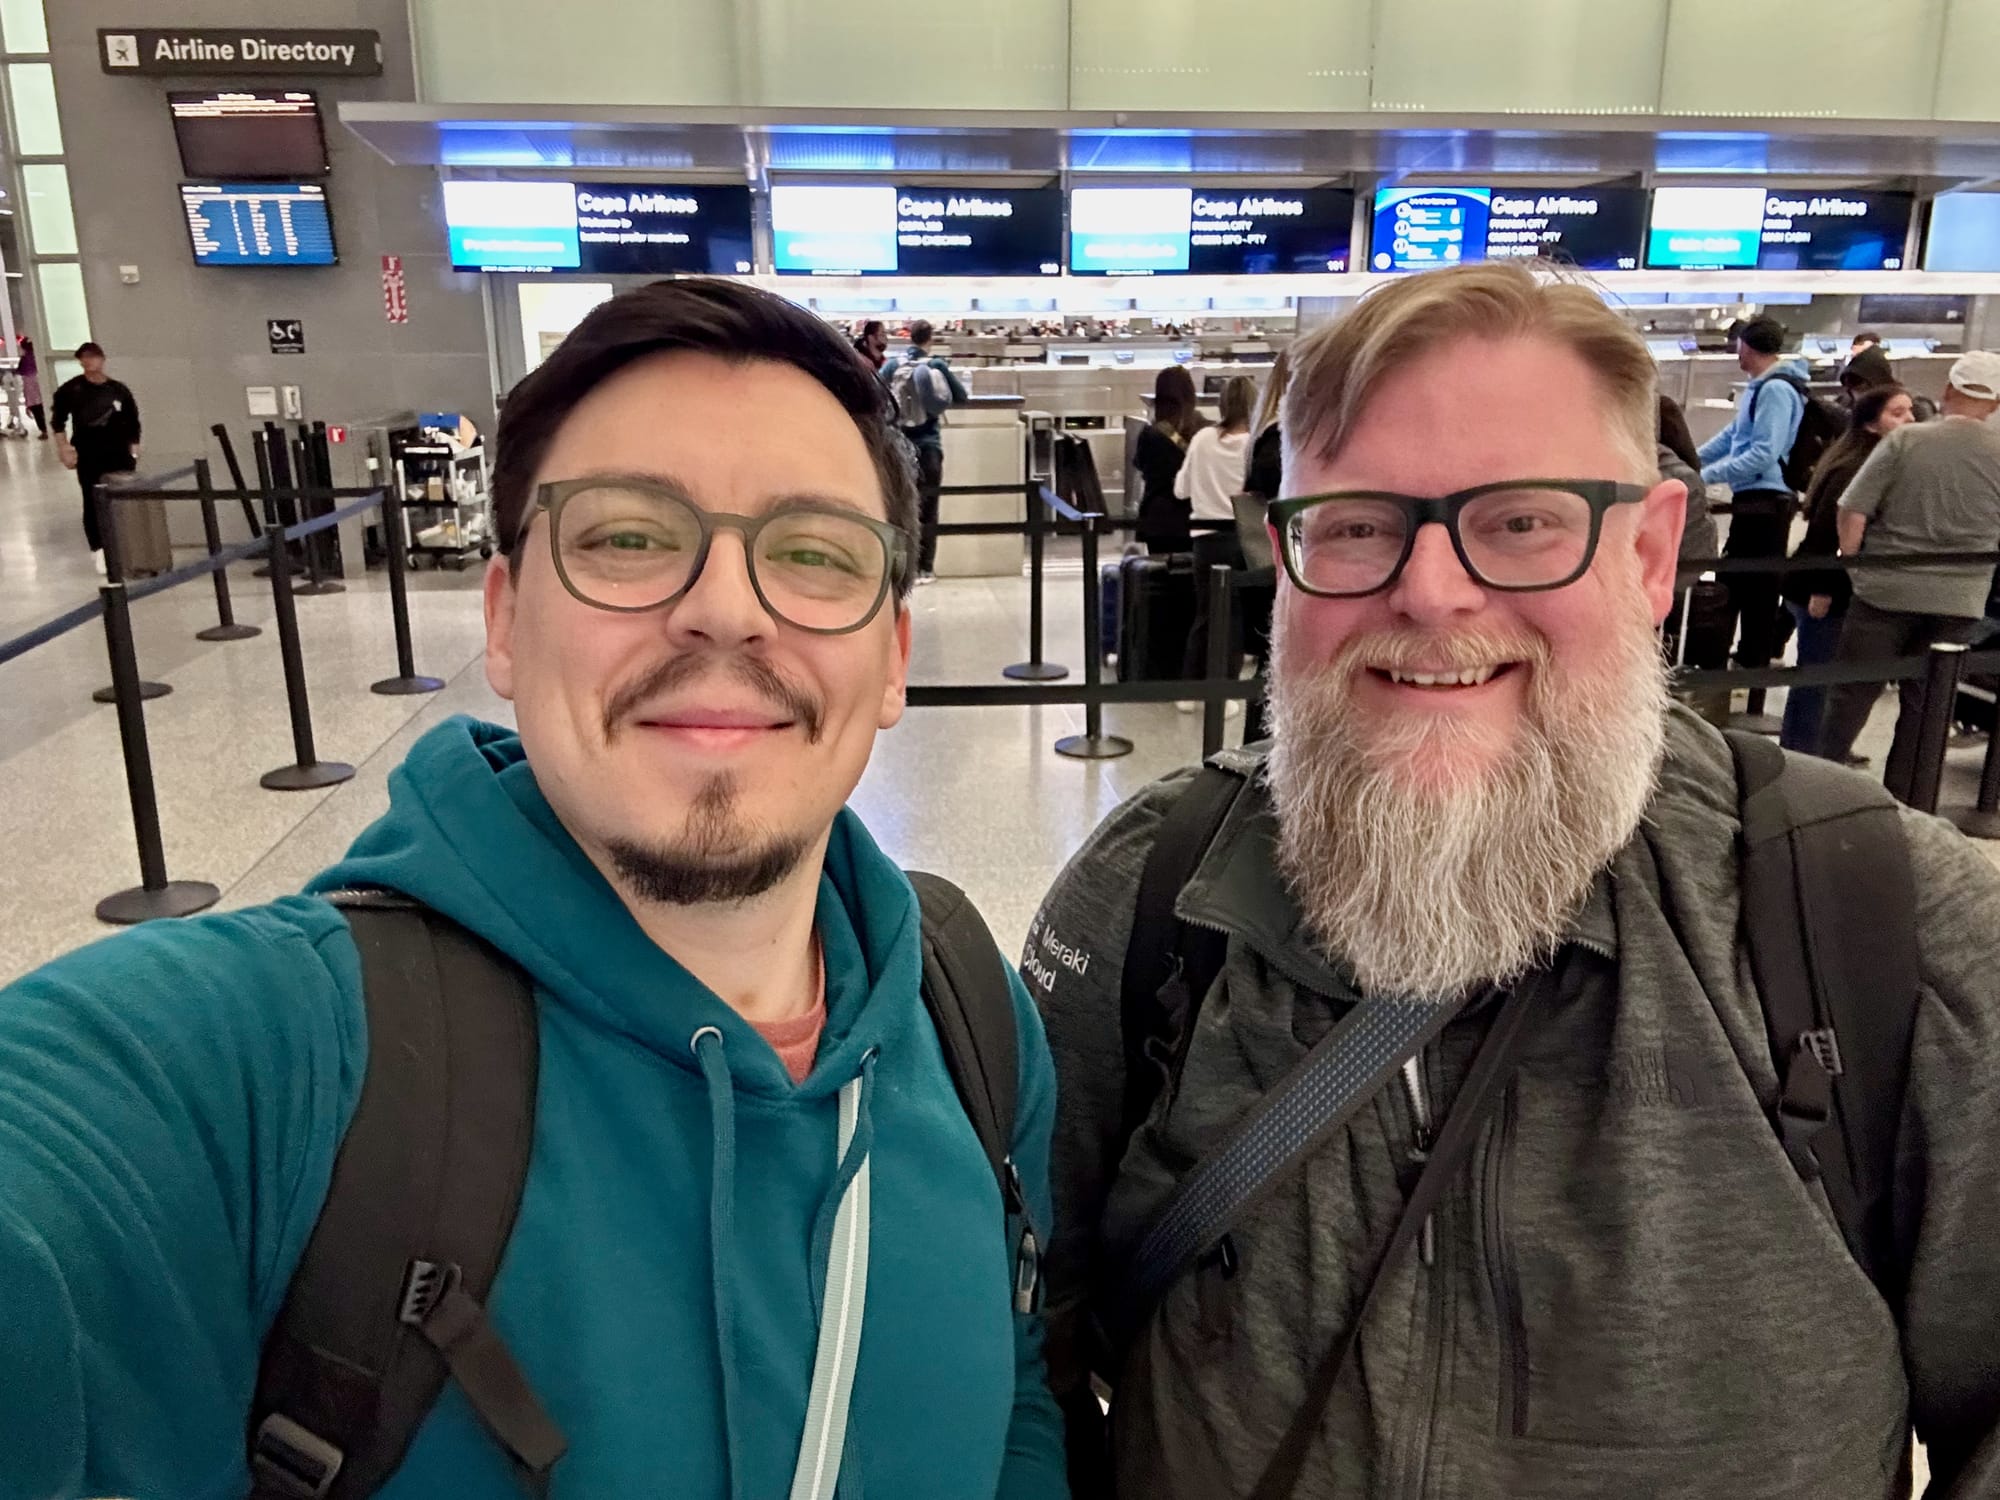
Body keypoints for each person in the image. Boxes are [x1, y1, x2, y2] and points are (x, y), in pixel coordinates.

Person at [0, 280, 1067, 1500]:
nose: (725, 610)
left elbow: (1017, 1390)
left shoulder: (967, 1014)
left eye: (814, 553)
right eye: (627, 538)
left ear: (890, 660)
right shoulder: (264, 1065)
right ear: (503, 622)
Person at [1026, 261, 2000, 1499]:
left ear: (1649, 554)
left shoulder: (1882, 930)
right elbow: (1019, 1345)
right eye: (1357, 524)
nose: (1430, 593)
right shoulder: (1154, 895)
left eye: (1522, 522)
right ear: (1285, 556)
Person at [1815, 351, 2000, 791]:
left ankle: (1818, 790)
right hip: (1961, 598)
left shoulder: (1906, 441)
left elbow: (1852, 508)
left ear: (1948, 390)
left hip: (1885, 589)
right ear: (1995, 403)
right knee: (1927, 706)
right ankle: (1908, 800)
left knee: (1850, 696)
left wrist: (1855, 564)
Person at [1779, 383, 1915, 755]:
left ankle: (1805, 749)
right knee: (1818, 678)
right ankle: (1803, 753)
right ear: (1871, 423)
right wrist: (1823, 589)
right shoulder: (1857, 467)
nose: (1909, 420)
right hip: (1824, 585)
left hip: (1825, 581)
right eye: (1897, 413)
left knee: (1818, 676)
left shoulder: (1863, 459)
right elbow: (1826, 530)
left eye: (1910, 411)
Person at [1697, 316, 1806, 669]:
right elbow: (1732, 436)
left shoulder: (1775, 390)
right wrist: (1691, 461)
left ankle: (1752, 662)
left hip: (1767, 501)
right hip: (1753, 497)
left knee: (1756, 586)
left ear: (1748, 345)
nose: (1736, 351)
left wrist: (1706, 476)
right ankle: (1741, 657)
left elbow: (1763, 453)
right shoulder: (1760, 387)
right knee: (1739, 580)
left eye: (1738, 344)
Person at [1173, 374, 1256, 713]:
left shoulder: (1203, 438)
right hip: (1239, 539)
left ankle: (1188, 691)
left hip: (1203, 540)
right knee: (1233, 617)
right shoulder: (1253, 445)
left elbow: (1181, 489)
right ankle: (1224, 693)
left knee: (1204, 614)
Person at [882, 318, 967, 585]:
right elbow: (961, 395)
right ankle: (925, 569)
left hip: (899, 448)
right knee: (929, 509)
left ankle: (900, 570)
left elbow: (876, 393)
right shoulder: (936, 365)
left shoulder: (893, 365)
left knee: (900, 509)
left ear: (909, 337)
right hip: (929, 446)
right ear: (930, 338)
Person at [51, 340, 141, 567]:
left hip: (118, 451)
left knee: (121, 498)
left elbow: (132, 420)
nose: (88, 361)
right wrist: (64, 447)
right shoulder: (72, 389)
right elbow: (58, 421)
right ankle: (99, 549)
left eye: (92, 356)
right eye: (84, 357)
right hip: (89, 451)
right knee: (93, 499)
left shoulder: (118, 390)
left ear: (102, 359)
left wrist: (134, 446)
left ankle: (126, 546)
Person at [1133, 365, 1204, 553]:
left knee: (1161, 568)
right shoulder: (1203, 430)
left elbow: (1140, 464)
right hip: (1193, 515)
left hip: (1158, 518)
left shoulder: (1151, 434)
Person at [16, 333, 45, 437]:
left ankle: (44, 430)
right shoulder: (38, 357)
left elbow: (20, 371)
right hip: (40, 382)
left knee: (35, 408)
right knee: (42, 406)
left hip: (30, 385)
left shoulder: (25, 359)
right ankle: (48, 428)